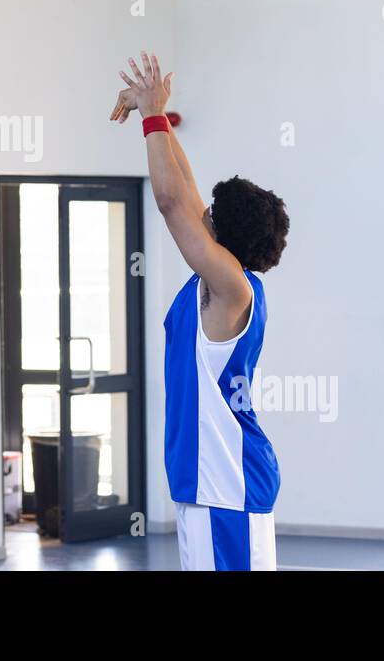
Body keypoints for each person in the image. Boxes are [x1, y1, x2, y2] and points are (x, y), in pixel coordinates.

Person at [111, 52, 290, 571]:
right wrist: (159, 117)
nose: (200, 211)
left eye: (210, 214)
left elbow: (171, 203)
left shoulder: (230, 286)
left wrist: (150, 119)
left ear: (223, 234)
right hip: (210, 483)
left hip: (227, 484)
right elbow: (185, 194)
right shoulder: (219, 278)